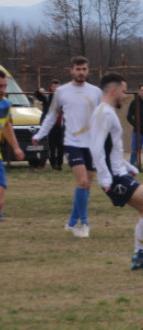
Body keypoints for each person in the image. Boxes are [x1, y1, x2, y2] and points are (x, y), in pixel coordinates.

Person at [89, 73, 143, 271]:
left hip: (118, 173)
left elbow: (108, 148)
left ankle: (140, 256)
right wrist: (106, 178)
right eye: (123, 91)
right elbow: (95, 148)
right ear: (113, 91)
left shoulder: (107, 111)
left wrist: (127, 166)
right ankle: (139, 256)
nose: (124, 95)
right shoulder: (104, 113)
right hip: (113, 178)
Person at [32, 56, 102, 238]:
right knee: (82, 182)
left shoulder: (96, 92)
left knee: (87, 186)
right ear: (72, 71)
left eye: (84, 69)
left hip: (91, 144)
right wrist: (40, 135)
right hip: (72, 144)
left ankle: (71, 222)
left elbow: (103, 116)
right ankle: (84, 224)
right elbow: (50, 115)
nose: (81, 72)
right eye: (78, 69)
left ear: (88, 71)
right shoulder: (62, 92)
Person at [0, 69, 25, 221]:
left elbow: (7, 126)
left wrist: (16, 147)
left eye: (4, 86)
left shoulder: (5, 105)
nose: (2, 90)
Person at [35, 79, 63, 170]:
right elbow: (38, 95)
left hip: (61, 125)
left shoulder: (63, 97)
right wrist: (39, 91)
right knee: (51, 146)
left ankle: (59, 164)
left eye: (57, 87)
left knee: (60, 146)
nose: (55, 89)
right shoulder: (47, 96)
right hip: (51, 126)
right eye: (54, 87)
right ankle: (53, 164)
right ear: (51, 87)